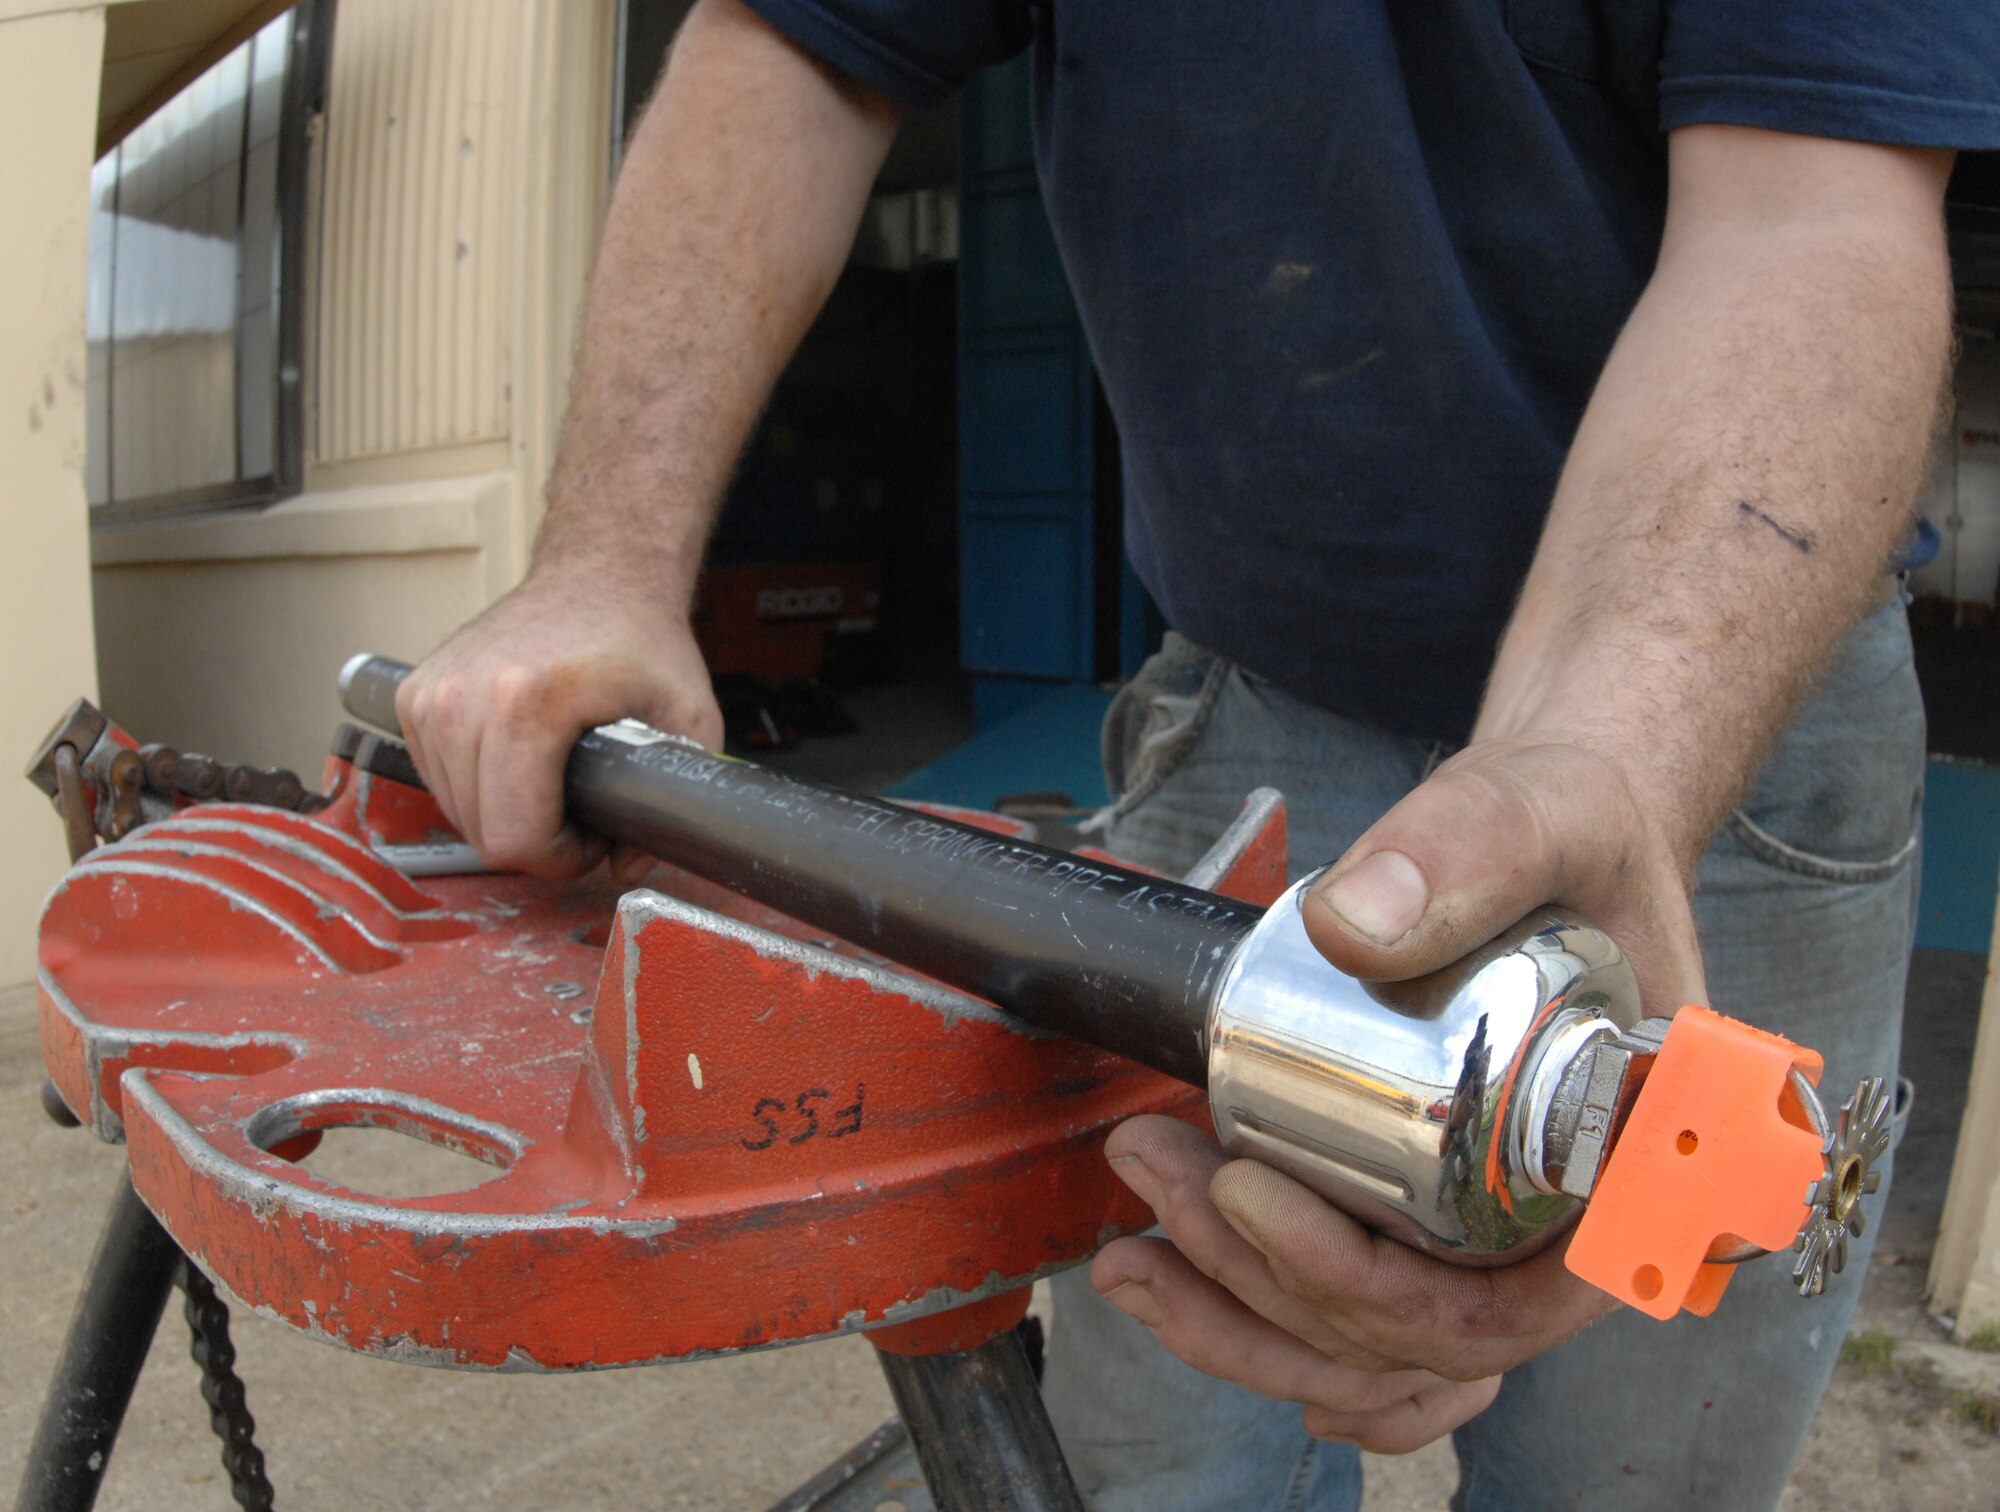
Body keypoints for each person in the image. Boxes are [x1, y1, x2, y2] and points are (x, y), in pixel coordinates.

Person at [393, 2, 2000, 1506]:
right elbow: (801, 45)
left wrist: (1613, 754)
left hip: (1717, 703)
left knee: (1643, 1477)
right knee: (1161, 1450)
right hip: (1259, 691)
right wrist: (605, 558)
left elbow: (1813, 209)